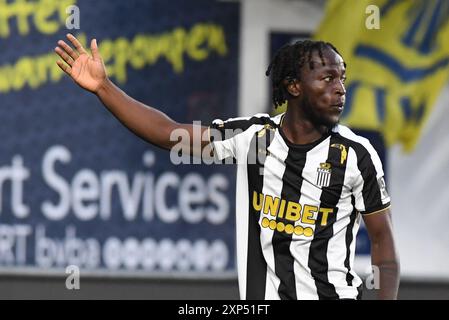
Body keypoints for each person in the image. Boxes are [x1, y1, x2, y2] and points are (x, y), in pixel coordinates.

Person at [54, 35, 399, 300]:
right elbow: (168, 134)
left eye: (342, 78)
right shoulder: (254, 138)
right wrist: (104, 87)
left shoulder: (356, 155)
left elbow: (383, 245)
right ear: (294, 86)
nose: (340, 89)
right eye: (327, 79)